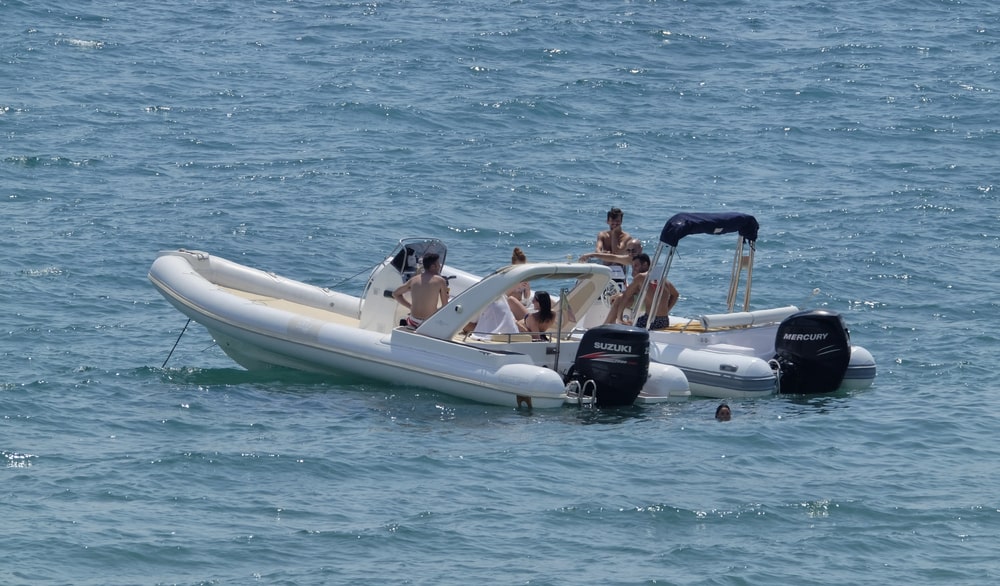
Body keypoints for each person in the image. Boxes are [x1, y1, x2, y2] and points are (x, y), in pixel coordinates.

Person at [606, 253, 679, 329]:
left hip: (650, 321)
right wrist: (666, 311)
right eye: (632, 266)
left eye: (636, 266)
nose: (633, 268)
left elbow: (625, 296)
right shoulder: (661, 278)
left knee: (628, 324)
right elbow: (676, 295)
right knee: (633, 321)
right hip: (664, 321)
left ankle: (606, 329)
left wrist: (620, 318)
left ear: (645, 264)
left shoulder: (641, 277)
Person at [392, 253, 449, 328]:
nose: (439, 266)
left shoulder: (414, 280)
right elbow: (445, 306)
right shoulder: (440, 281)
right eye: (438, 264)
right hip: (427, 323)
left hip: (412, 321)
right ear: (432, 266)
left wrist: (410, 306)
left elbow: (395, 294)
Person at [595, 208, 633, 288]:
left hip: (619, 271)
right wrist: (602, 253)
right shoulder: (602, 235)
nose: (615, 223)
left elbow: (616, 252)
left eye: (618, 221)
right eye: (612, 221)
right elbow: (598, 249)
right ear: (607, 221)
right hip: (605, 269)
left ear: (621, 222)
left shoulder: (626, 237)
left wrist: (614, 233)